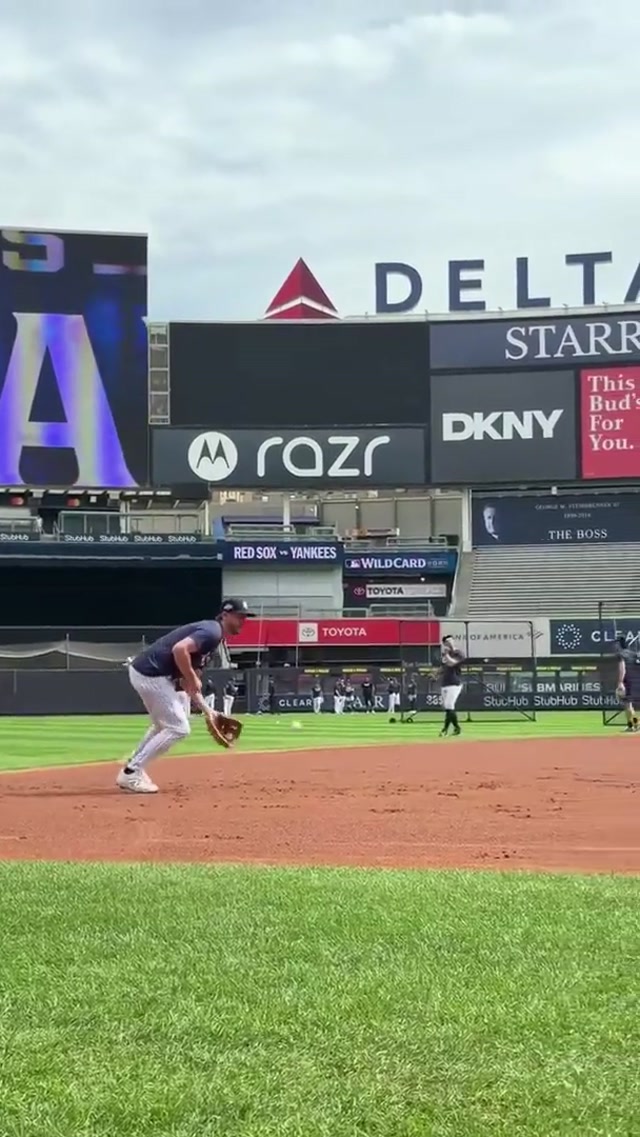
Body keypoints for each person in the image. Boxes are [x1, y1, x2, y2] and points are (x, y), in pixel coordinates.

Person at [117, 598, 253, 794]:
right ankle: (131, 772)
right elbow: (180, 650)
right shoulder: (212, 631)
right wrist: (191, 676)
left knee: (163, 726)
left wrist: (209, 711)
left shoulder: (213, 639)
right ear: (225, 615)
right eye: (239, 616)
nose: (243, 620)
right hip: (151, 675)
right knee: (179, 728)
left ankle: (134, 766)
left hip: (148, 673)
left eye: (245, 617)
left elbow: (187, 684)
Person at [438, 635, 464, 737]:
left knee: (449, 705)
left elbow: (453, 663)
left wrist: (447, 654)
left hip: (455, 682)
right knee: (447, 707)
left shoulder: (458, 653)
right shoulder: (445, 654)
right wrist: (435, 674)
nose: (449, 643)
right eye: (447, 642)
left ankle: (445, 729)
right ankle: (456, 728)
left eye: (450, 641)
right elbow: (443, 667)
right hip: (445, 683)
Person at [615, 634, 640, 732]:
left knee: (628, 705)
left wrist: (620, 682)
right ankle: (630, 725)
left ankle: (636, 723)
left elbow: (622, 668)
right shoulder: (633, 654)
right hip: (634, 680)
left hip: (627, 681)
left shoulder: (620, 654)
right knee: (627, 705)